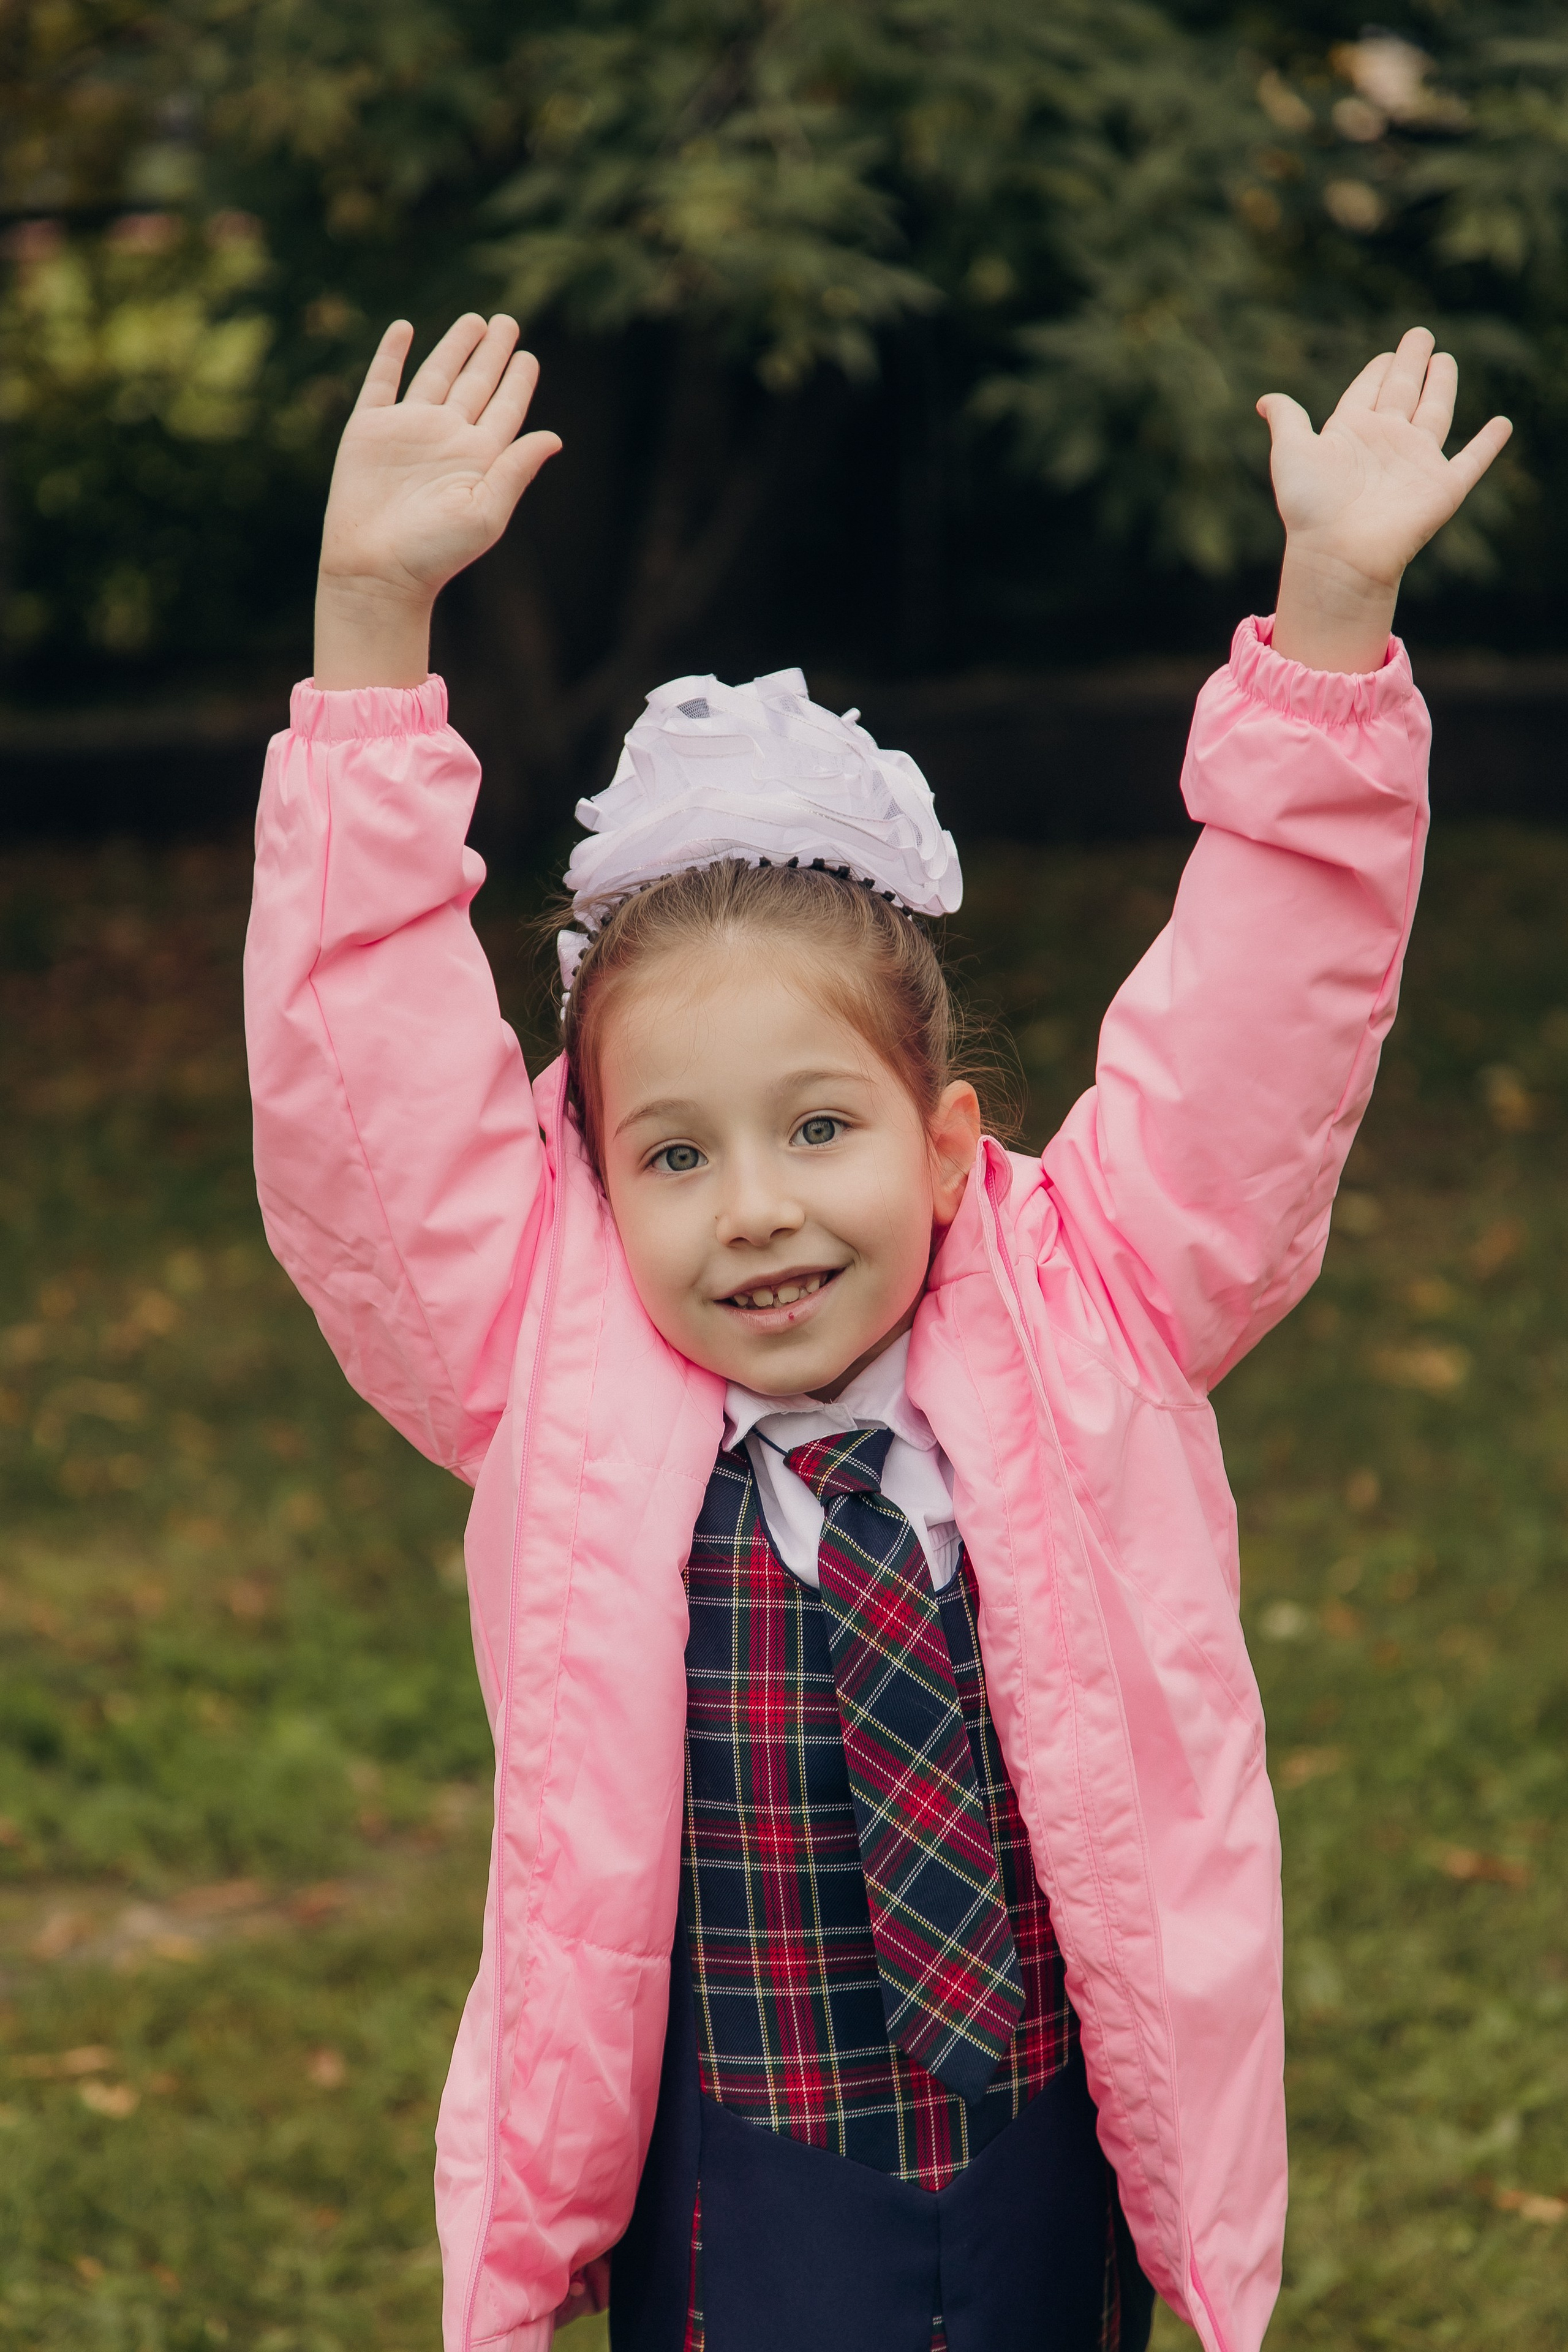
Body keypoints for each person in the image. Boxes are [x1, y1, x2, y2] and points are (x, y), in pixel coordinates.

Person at [244, 313, 1510, 2352]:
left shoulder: (1101, 1295)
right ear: (585, 1178)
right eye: (671, 1153)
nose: (752, 1205)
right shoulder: (545, 1358)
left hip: (1045, 2145)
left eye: (817, 1130)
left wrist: (1335, 627)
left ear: (942, 1147)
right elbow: (357, 1082)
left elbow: (1262, 1018)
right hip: (733, 2168)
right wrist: (370, 629)